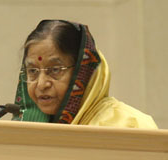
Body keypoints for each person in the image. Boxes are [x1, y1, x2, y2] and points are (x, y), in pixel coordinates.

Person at [13, 20, 157, 128]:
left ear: (82, 71)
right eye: (32, 71)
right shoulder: (30, 131)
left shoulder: (128, 125)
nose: (41, 84)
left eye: (55, 70)